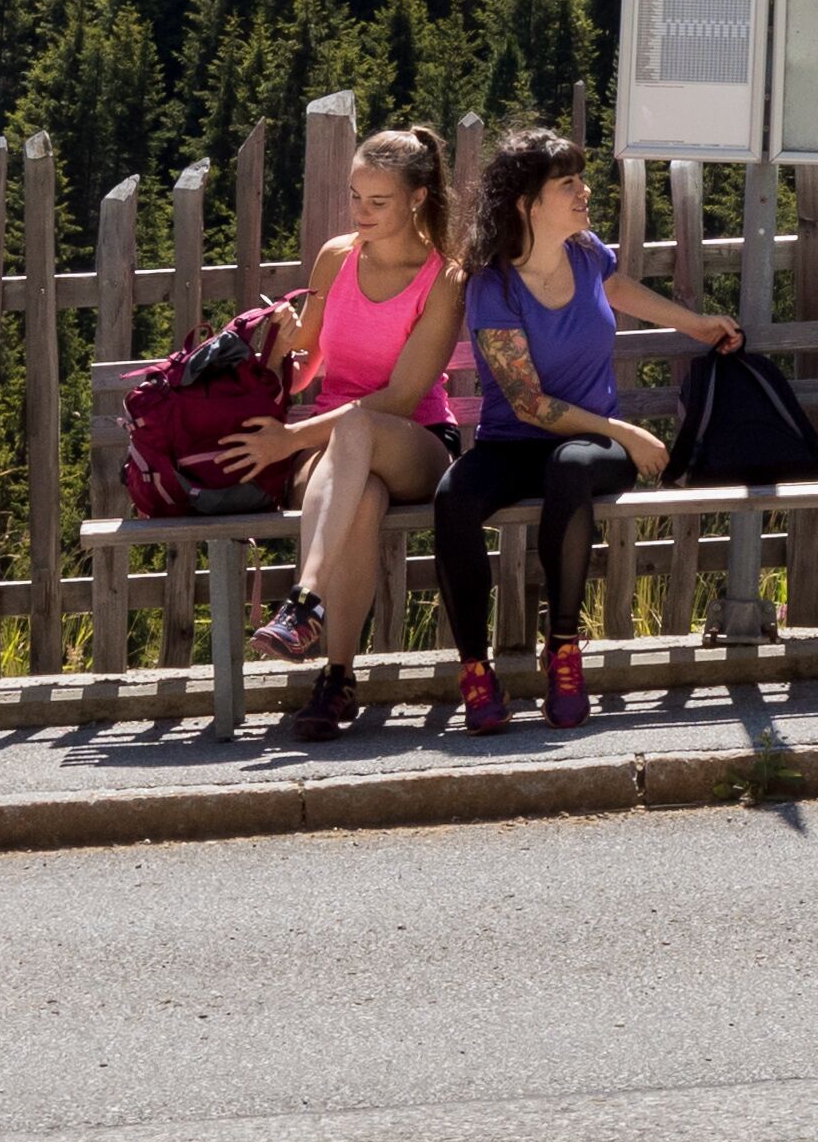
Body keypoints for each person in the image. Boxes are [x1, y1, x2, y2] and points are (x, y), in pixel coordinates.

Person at [435, 133, 744, 733]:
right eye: (567, 184)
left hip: (588, 452)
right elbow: (526, 403)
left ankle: (565, 651)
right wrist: (625, 430)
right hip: (517, 440)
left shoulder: (584, 252)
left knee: (570, 468)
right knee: (454, 497)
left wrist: (696, 324)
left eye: (581, 180)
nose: (585, 192)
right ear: (527, 202)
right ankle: (475, 669)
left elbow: (617, 286)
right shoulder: (490, 286)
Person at [227, 128, 460, 734]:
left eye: (378, 202)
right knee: (365, 497)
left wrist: (289, 441)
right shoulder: (336, 256)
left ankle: (303, 599)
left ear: (416, 197)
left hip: (416, 440)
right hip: (334, 450)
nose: (361, 213)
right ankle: (335, 681)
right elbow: (306, 370)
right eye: (355, 197)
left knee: (359, 429)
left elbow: (404, 397)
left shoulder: (443, 277)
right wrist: (281, 337)